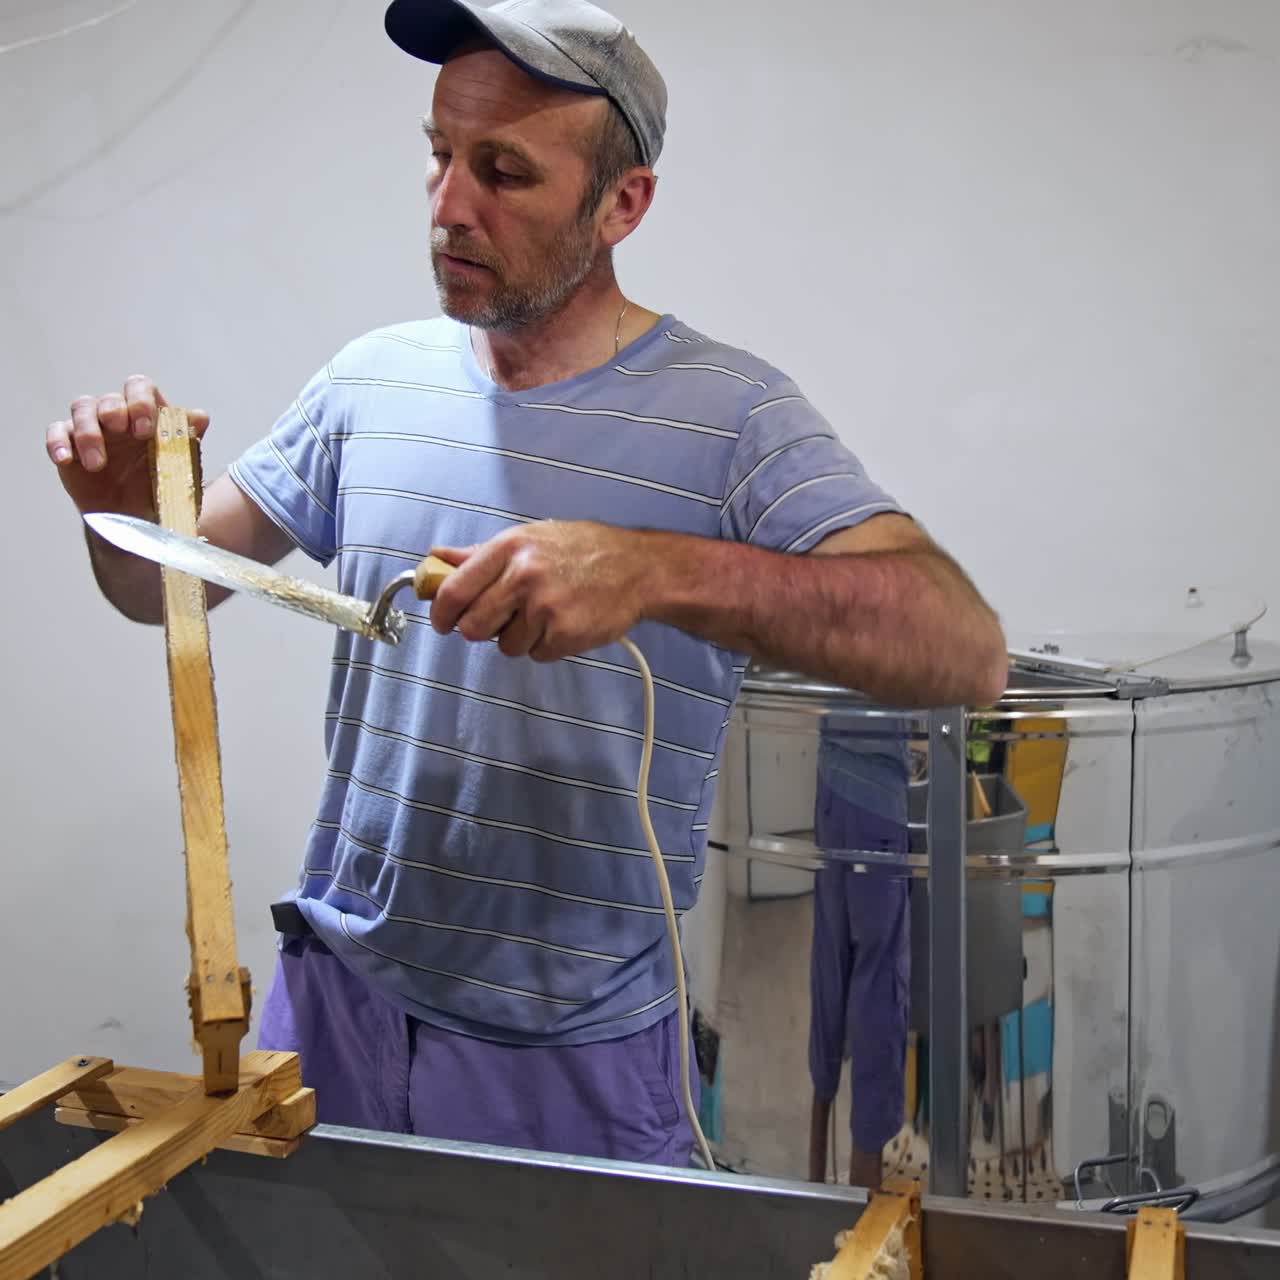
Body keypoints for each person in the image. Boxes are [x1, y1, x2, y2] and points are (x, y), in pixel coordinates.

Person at [45, 0, 1006, 1168]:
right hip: (334, 1003)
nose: (450, 206)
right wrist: (124, 514)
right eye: (438, 156)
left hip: (570, 1058)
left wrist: (652, 568)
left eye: (503, 171)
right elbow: (170, 592)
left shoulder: (733, 416)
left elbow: (959, 648)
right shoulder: (370, 380)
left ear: (621, 205)